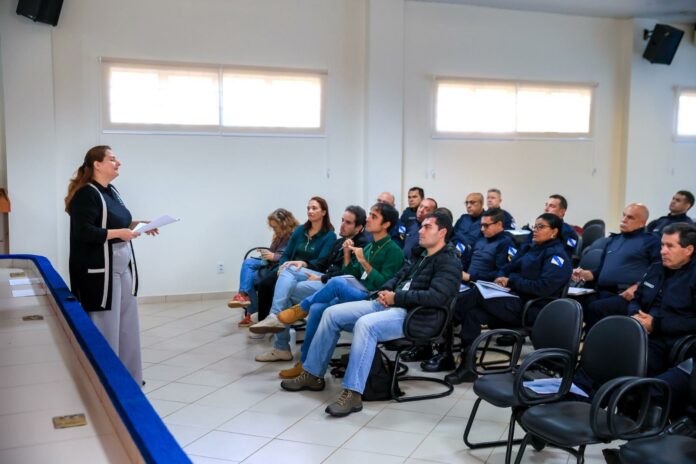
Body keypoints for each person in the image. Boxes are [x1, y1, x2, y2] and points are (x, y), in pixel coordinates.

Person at [279, 211, 461, 417]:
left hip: (415, 316)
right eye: (421, 226)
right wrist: (385, 291)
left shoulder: (449, 261)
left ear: (442, 232)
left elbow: (436, 297)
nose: (420, 231)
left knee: (365, 325)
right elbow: (397, 277)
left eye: (427, 227)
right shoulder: (420, 255)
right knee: (331, 313)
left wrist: (397, 297)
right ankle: (312, 374)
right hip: (391, 304)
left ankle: (353, 393)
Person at [272, 203, 404, 378]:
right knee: (317, 308)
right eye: (369, 215)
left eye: (374, 216)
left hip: (371, 297)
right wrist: (348, 254)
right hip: (356, 290)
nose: (368, 219)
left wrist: (363, 261)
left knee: (337, 283)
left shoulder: (394, 251)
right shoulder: (369, 246)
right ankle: (306, 365)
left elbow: (383, 285)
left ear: (386, 224)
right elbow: (351, 273)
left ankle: (301, 308)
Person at [65, 145, 158, 385]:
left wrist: (140, 224)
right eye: (113, 159)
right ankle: (106, 382)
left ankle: (130, 378)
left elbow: (116, 221)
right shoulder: (86, 194)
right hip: (100, 271)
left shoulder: (111, 191)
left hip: (121, 266)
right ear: (97, 164)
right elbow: (84, 231)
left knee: (127, 324)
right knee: (105, 325)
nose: (118, 163)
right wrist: (119, 233)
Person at [446, 213, 572, 384]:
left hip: (532, 309)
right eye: (535, 226)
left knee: (476, 295)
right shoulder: (530, 248)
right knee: (473, 314)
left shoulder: (557, 257)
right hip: (513, 300)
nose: (535, 230)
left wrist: (512, 281)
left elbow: (543, 288)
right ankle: (467, 367)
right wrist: (502, 278)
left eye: (541, 227)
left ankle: (446, 322)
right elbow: (507, 268)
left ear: (554, 232)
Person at [249, 206, 367, 357]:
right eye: (342, 220)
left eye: (348, 222)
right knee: (289, 268)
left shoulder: (361, 245)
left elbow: (349, 276)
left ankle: (280, 343)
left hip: (335, 286)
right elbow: (322, 264)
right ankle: (276, 326)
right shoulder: (339, 242)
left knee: (286, 290)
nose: (342, 225)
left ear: (359, 227)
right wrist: (304, 263)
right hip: (323, 278)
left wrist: (322, 277)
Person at [421, 208, 515, 372]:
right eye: (481, 225)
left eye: (487, 225)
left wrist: (471, 277)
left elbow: (501, 275)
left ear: (500, 224)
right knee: (444, 295)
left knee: (451, 305)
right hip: (469, 284)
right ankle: (439, 350)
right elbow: (466, 263)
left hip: (487, 289)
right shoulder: (481, 240)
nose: (482, 229)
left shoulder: (506, 243)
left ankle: (445, 351)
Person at [253, 196, 337, 359]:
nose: (310, 211)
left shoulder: (329, 236)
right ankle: (282, 349)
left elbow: (321, 263)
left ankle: (274, 317)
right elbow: (286, 254)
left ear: (324, 212)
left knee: (288, 273)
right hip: (291, 272)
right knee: (284, 287)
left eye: (314, 208)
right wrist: (282, 266)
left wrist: (302, 263)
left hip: (312, 273)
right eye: (308, 208)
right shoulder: (300, 231)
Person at [572, 203, 660, 329]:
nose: (624, 219)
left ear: (642, 223)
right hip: (602, 291)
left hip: (625, 295)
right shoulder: (613, 240)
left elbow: (658, 270)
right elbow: (600, 271)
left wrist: (638, 286)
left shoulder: (651, 241)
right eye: (624, 215)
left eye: (630, 217)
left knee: (595, 308)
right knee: (574, 304)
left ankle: (595, 340)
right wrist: (586, 274)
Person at [628, 223, 696, 376]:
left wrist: (655, 324)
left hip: (669, 338)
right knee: (606, 344)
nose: (662, 251)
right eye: (662, 245)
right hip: (640, 327)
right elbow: (636, 299)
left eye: (670, 246)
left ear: (688, 250)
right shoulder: (656, 268)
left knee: (629, 362)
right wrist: (635, 315)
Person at [228, 208, 298, 327]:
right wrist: (267, 253)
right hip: (271, 264)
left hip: (279, 267)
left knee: (249, 270)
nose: (274, 230)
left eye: (275, 227)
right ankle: (253, 310)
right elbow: (275, 252)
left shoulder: (295, 236)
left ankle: (248, 304)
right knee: (249, 272)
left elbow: (293, 256)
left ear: (284, 224)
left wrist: (274, 256)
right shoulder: (279, 236)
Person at [538, 194, 579, 258]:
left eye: (552, 206)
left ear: (561, 212)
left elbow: (565, 257)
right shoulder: (539, 227)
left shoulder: (570, 235)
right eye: (546, 205)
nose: (546, 209)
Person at [402, 197, 437, 261]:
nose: (421, 210)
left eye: (427, 209)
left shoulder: (432, 231)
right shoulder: (411, 224)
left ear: (433, 213)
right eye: (420, 206)